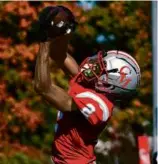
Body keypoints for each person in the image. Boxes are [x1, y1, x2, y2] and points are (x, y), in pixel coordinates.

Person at [34, 6, 141, 164]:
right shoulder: (92, 85)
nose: (94, 65)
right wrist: (66, 31)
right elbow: (59, 55)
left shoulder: (100, 106)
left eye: (101, 68)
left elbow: (43, 87)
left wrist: (45, 41)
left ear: (109, 85)